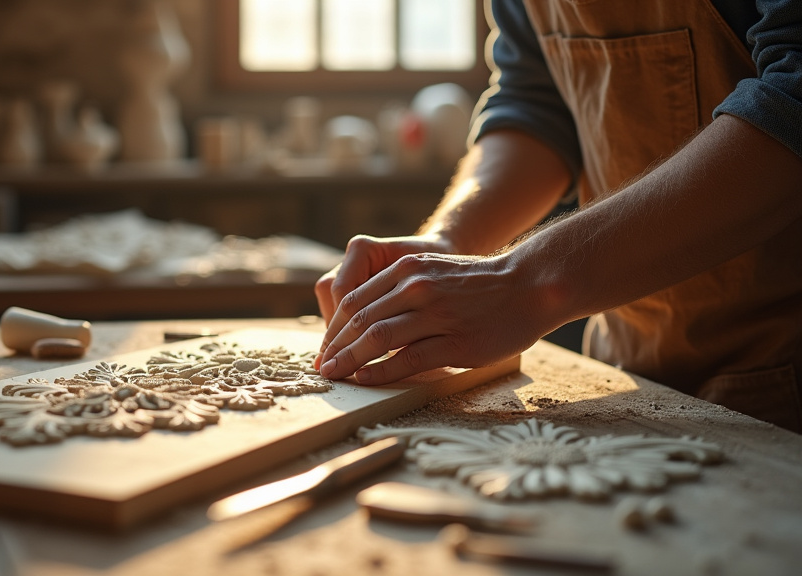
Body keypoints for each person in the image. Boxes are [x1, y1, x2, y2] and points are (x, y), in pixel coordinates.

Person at [314, 0, 802, 432]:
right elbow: (536, 102)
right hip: (629, 367)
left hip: (785, 373)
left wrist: (526, 281)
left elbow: (792, 97)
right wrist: (451, 239)